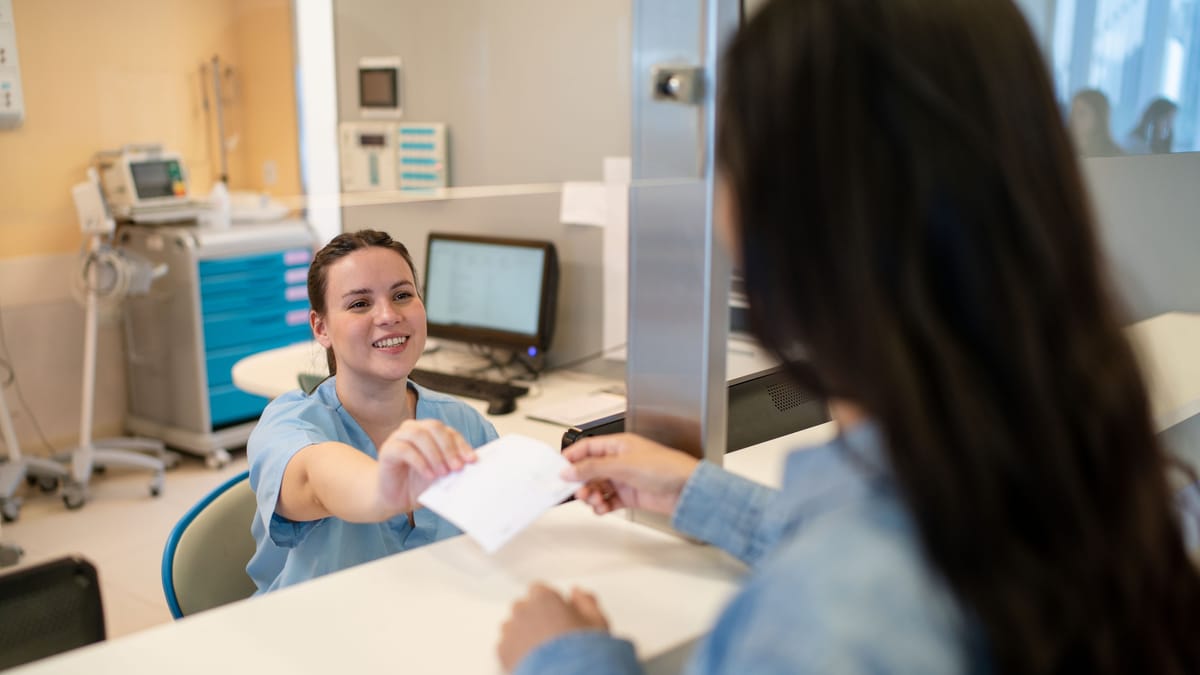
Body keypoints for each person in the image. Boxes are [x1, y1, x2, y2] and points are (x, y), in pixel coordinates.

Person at [498, 0, 1200, 673]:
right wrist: (695, 491)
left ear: (794, 219)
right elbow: (908, 544)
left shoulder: (830, 617)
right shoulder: (1104, 473)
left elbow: (860, 590)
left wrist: (565, 658)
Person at [246, 230, 497, 593]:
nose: (388, 315)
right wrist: (385, 486)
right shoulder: (288, 426)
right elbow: (316, 478)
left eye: (402, 295)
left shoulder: (465, 424)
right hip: (316, 633)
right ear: (321, 327)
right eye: (360, 304)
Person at [1068, 89, 1123, 157]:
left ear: (1098, 118)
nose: (1073, 118)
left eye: (1081, 113)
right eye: (1073, 111)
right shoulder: (1062, 148)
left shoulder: (1115, 155)